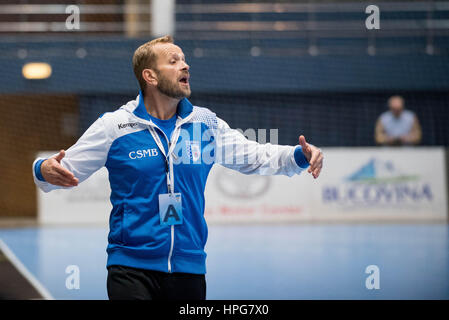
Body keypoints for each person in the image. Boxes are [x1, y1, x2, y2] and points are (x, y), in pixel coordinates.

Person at [32, 35, 324, 300]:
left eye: (184, 60)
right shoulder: (114, 126)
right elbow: (62, 168)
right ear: (150, 76)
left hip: (189, 267)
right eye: (174, 61)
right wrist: (42, 168)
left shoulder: (205, 123)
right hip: (131, 268)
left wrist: (298, 155)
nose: (185, 66)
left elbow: (254, 155)